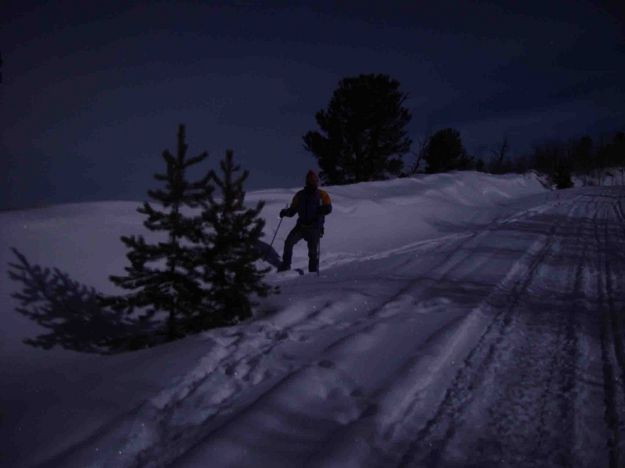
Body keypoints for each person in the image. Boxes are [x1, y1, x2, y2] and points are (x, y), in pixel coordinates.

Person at [278, 170, 332, 273]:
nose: (312, 182)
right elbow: (293, 211)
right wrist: (285, 212)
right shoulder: (300, 195)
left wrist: (320, 210)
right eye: (310, 180)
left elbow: (329, 209)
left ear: (316, 181)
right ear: (307, 181)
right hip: (301, 226)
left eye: (314, 180)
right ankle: (286, 266)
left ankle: (312, 272)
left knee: (312, 252)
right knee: (289, 242)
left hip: (314, 227)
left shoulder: (322, 194)